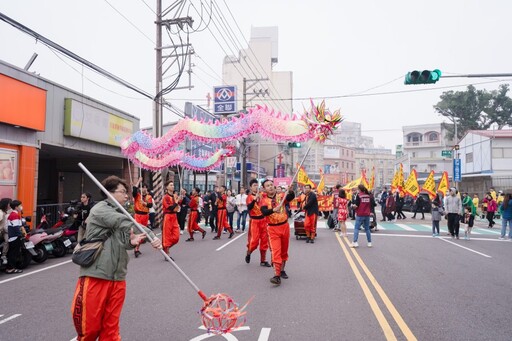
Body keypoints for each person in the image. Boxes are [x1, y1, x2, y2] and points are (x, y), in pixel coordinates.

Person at [70, 175, 161, 340]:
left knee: (111, 331)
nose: (126, 195)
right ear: (109, 192)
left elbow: (125, 241)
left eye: (127, 192)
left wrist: (133, 242)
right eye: (123, 192)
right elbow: (123, 222)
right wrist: (151, 236)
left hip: (118, 277)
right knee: (89, 329)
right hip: (96, 275)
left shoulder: (120, 211)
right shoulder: (101, 209)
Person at [260, 180, 295, 285]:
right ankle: (276, 275)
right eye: (267, 186)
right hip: (272, 229)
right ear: (264, 189)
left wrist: (291, 191)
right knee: (276, 251)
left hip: (284, 226)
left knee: (284, 251)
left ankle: (282, 270)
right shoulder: (264, 200)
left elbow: (290, 197)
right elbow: (264, 212)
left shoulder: (281, 196)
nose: (270, 187)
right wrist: (274, 209)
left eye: (271, 185)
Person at [245, 179, 271, 267]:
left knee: (264, 241)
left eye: (257, 185)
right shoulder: (249, 197)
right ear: (251, 187)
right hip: (254, 221)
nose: (256, 187)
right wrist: (254, 200)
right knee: (254, 242)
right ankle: (249, 252)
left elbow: (270, 196)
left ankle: (263, 260)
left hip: (263, 221)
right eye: (254, 185)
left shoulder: (263, 195)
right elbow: (249, 207)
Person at [132, 177, 153, 258]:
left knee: (143, 233)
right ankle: (136, 249)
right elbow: (134, 190)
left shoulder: (149, 197)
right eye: (142, 187)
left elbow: (150, 205)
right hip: (138, 215)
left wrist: (146, 204)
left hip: (145, 216)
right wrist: (138, 181)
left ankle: (137, 247)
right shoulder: (137, 195)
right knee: (138, 231)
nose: (144, 189)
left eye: (145, 187)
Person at [5, 200, 26, 274]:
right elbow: (16, 227)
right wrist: (21, 235)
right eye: (20, 205)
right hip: (14, 236)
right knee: (13, 253)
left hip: (13, 236)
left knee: (12, 253)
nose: (21, 207)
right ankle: (10, 268)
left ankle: (10, 267)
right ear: (16, 207)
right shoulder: (14, 215)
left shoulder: (14, 214)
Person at [162, 181, 181, 258]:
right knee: (167, 236)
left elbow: (179, 205)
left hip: (174, 217)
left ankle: (166, 248)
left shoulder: (175, 196)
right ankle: (167, 254)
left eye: (173, 185)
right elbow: (170, 207)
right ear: (167, 187)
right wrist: (176, 202)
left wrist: (182, 195)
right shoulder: (165, 197)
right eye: (171, 185)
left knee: (176, 237)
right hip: (168, 217)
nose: (173, 186)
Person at [0, 198, 12, 265]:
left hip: (3, 231)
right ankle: (4, 255)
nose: (10, 205)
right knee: (7, 240)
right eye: (9, 204)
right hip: (1, 232)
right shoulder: (1, 213)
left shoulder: (5, 212)